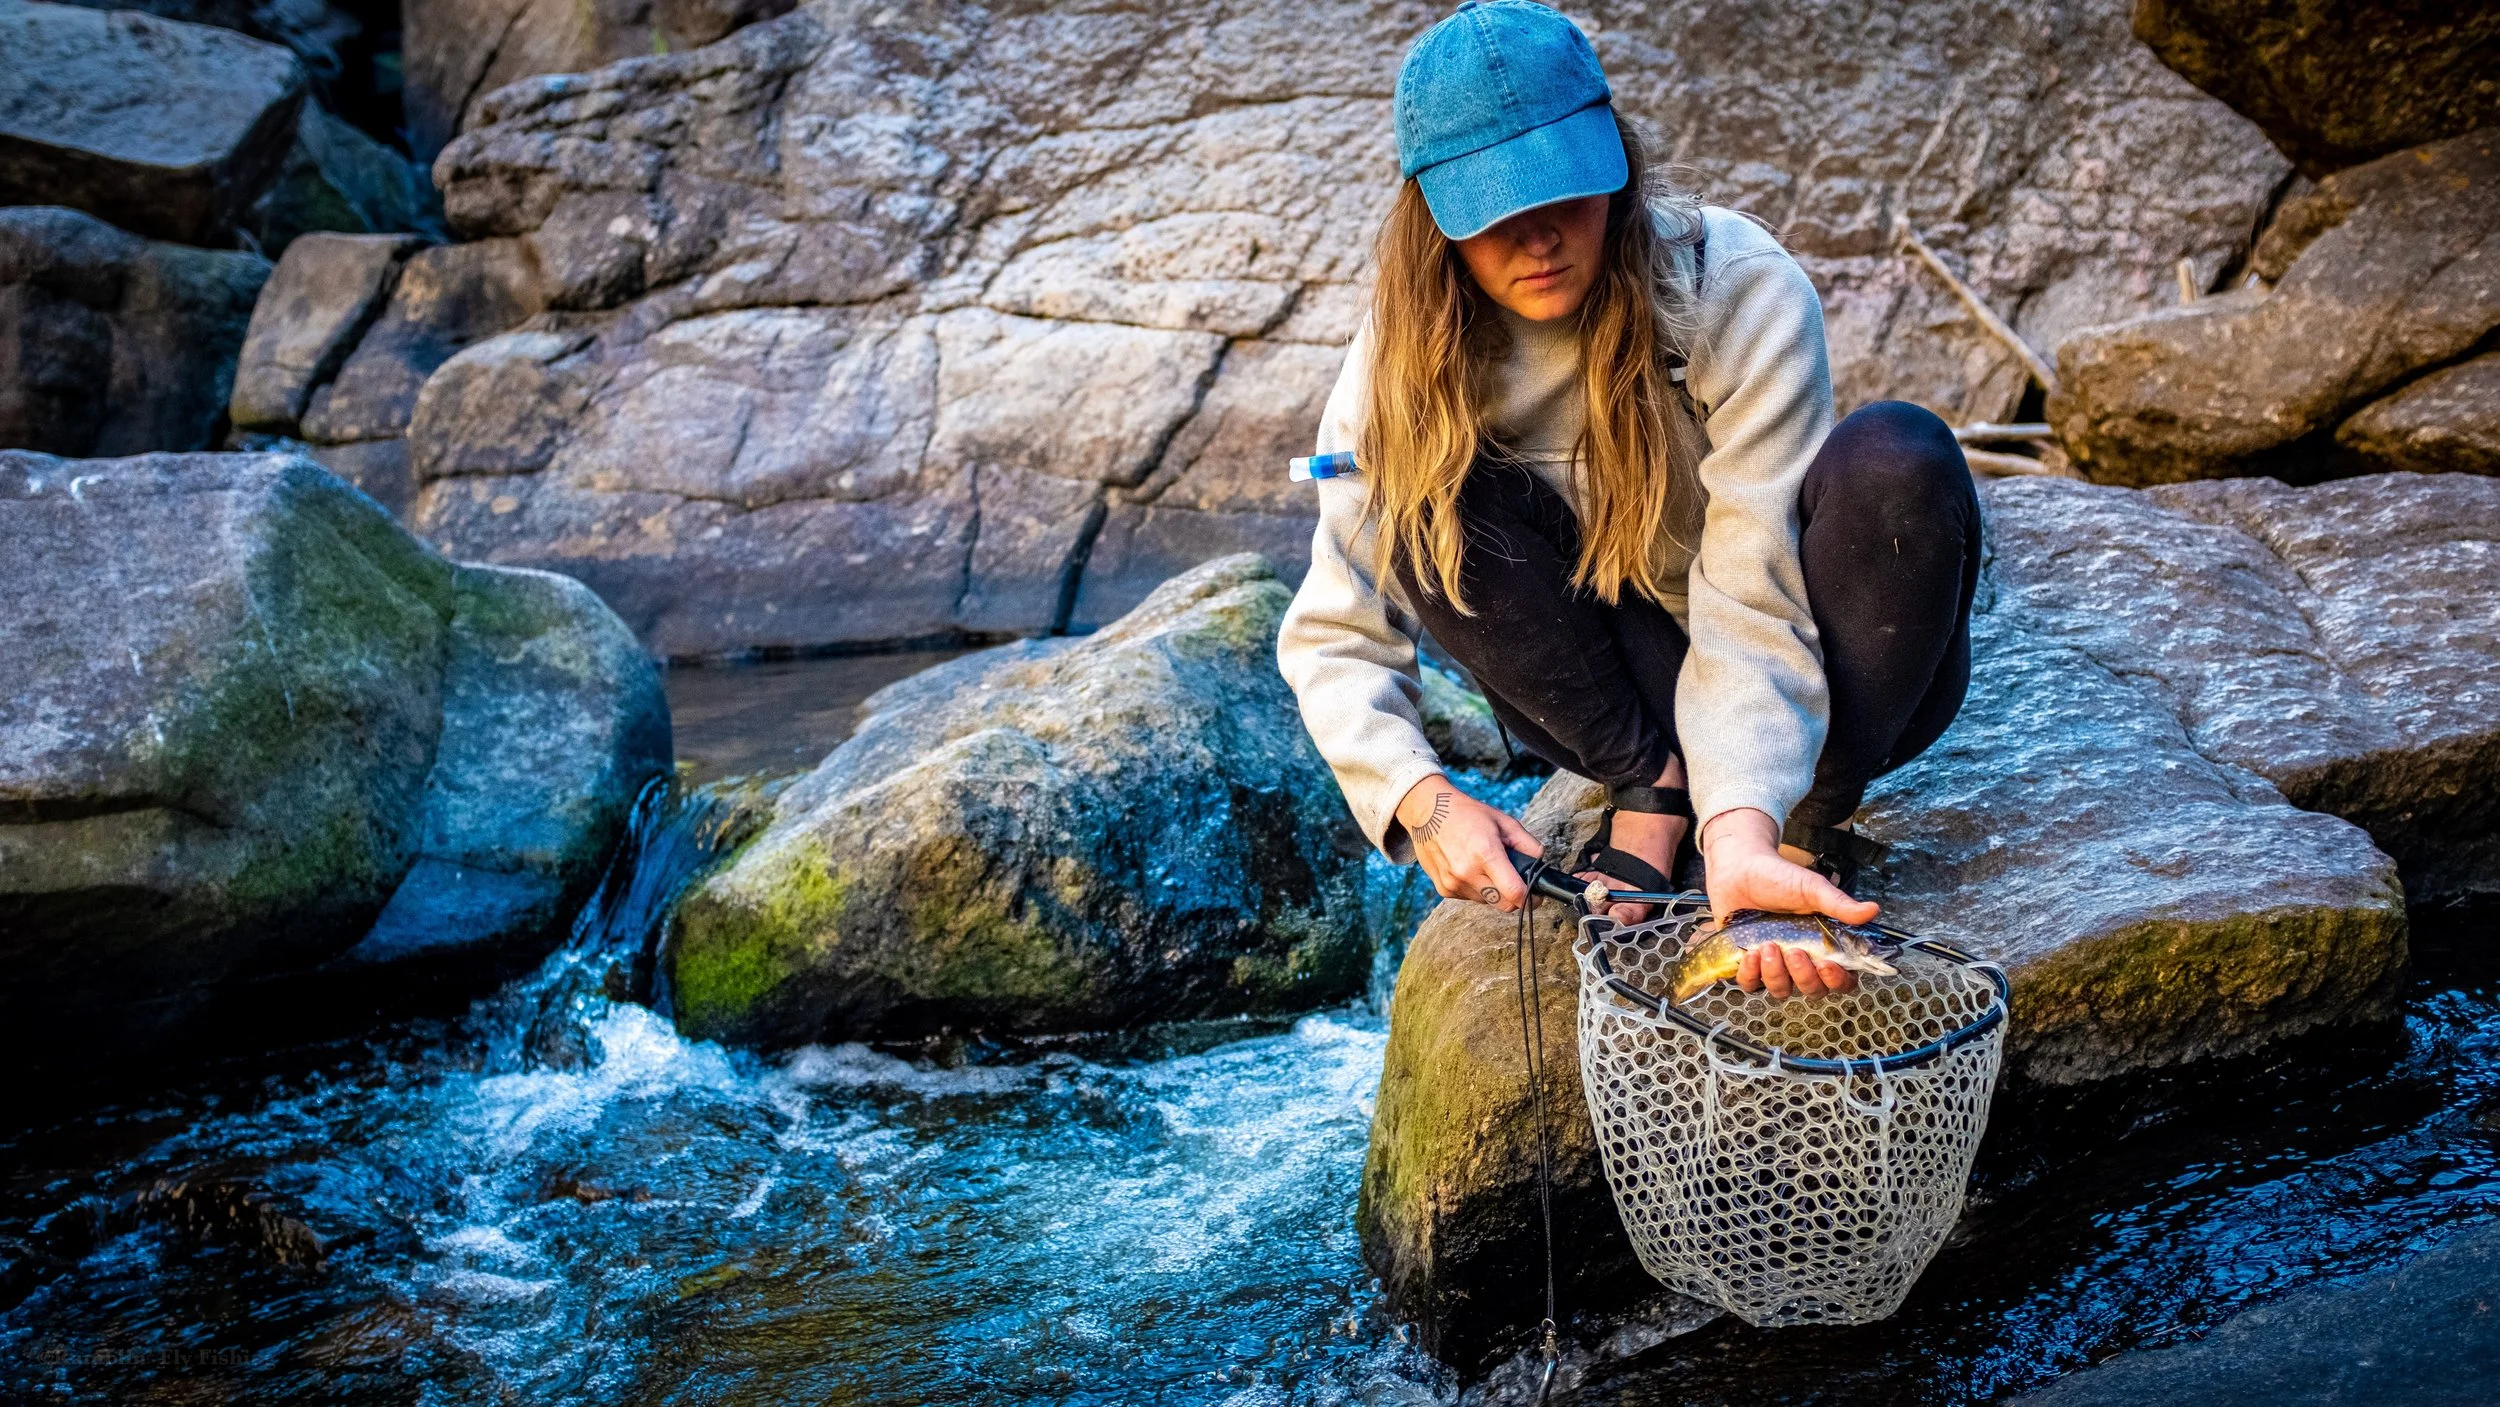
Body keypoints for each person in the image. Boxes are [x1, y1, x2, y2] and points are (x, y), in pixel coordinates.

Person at [1277, 0, 1979, 999]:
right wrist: (1419, 800)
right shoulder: (1393, 364)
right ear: (1432, 215)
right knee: (1410, 483)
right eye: (1493, 211)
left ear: (1615, 159)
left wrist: (1747, 828)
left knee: (1899, 452)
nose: (1538, 237)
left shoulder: (1736, 286)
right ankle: (1649, 785)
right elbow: (1333, 634)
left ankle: (1809, 814)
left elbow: (1753, 585)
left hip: (1835, 684)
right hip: (1624, 692)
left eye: (1563, 190)